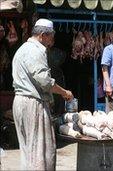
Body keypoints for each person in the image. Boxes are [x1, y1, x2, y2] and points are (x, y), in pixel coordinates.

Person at [12, 18, 74, 170]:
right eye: (51, 36)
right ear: (43, 35)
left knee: (29, 149)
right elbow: (45, 81)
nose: (52, 40)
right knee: (40, 149)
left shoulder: (23, 49)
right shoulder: (36, 50)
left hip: (22, 101)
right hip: (32, 103)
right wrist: (64, 92)